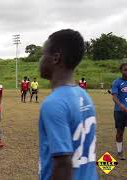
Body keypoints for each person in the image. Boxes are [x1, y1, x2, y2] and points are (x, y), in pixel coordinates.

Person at [38, 29, 98, 180]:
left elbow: (63, 164)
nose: (40, 59)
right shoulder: (84, 95)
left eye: (43, 54)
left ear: (56, 58)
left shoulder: (54, 103)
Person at [111, 62, 127, 160]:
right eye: (125, 70)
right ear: (121, 71)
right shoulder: (116, 82)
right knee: (120, 132)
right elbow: (114, 96)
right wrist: (120, 105)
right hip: (120, 112)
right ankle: (119, 151)